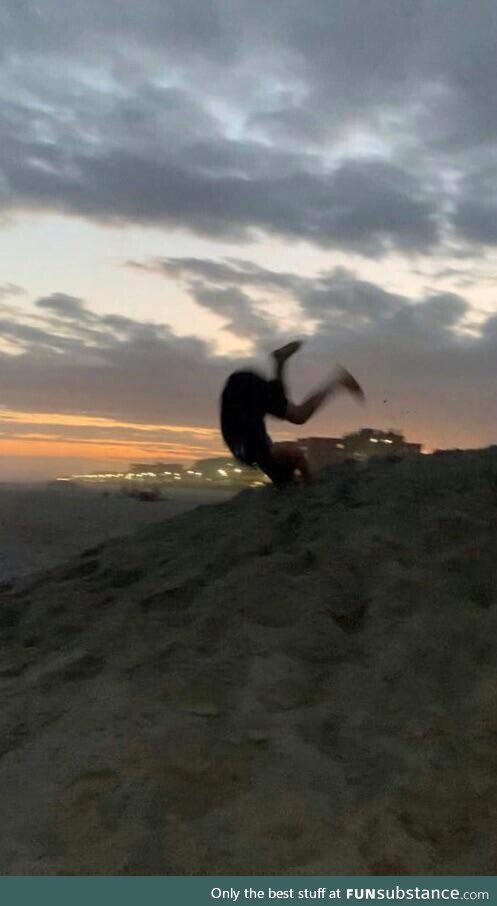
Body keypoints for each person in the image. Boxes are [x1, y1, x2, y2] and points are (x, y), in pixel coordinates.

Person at [220, 340, 364, 485]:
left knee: (299, 415)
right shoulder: (253, 456)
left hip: (243, 396)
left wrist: (307, 478)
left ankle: (338, 380)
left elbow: (297, 456)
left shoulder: (264, 455)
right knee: (291, 412)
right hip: (237, 389)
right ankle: (280, 361)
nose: (287, 446)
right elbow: (291, 461)